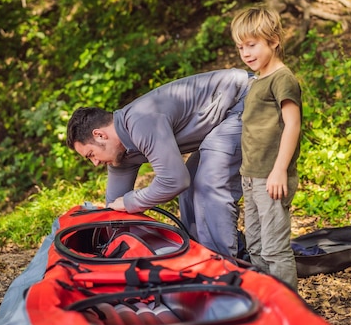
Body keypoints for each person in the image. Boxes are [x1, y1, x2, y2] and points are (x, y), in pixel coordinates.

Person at [66, 69, 253, 258]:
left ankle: (225, 266)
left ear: (100, 135)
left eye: (91, 154)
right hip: (220, 122)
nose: (95, 163)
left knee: (207, 182)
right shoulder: (120, 154)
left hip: (245, 99)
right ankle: (203, 257)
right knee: (191, 191)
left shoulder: (141, 121)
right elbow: (113, 209)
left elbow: (175, 180)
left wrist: (132, 201)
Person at [230, 4, 302, 290]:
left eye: (252, 45)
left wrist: (279, 170)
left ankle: (291, 309)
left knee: (274, 248)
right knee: (257, 247)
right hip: (251, 177)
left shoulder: (282, 79)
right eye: (240, 47)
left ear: (274, 41)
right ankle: (269, 303)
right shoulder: (258, 80)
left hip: (271, 178)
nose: (246, 53)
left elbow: (292, 125)